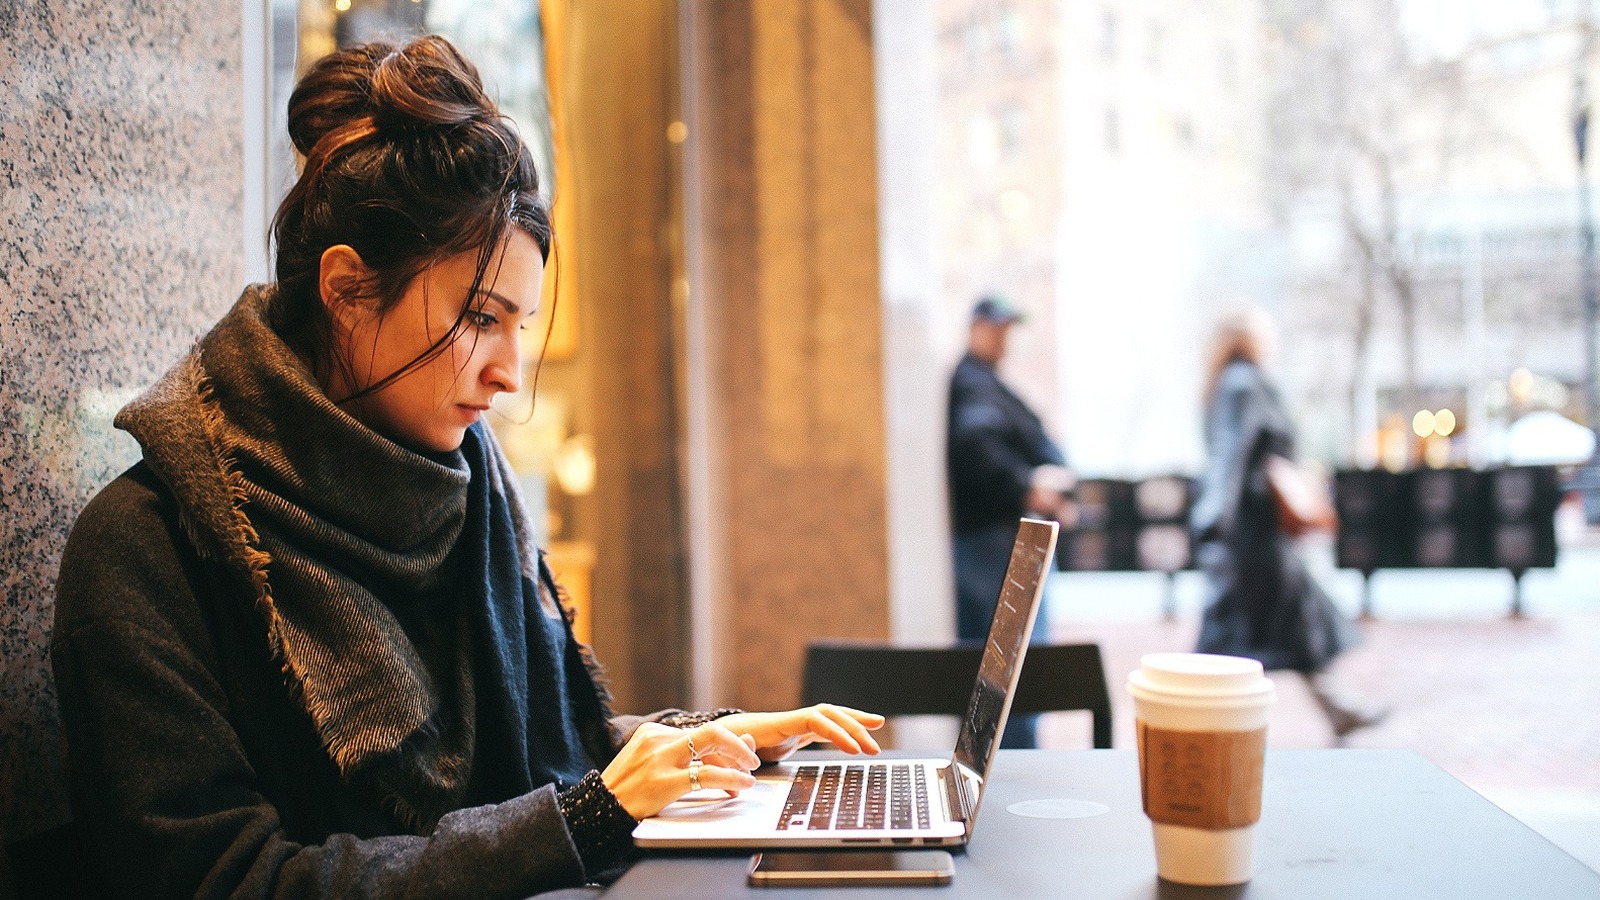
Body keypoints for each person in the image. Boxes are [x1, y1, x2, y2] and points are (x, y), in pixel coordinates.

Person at [50, 35, 883, 899]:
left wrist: (702, 740)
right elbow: (225, 879)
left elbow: (543, 763)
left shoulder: (465, 492)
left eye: (518, 325)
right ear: (345, 290)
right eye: (481, 318)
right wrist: (592, 815)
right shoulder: (149, 547)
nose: (508, 371)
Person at [1189, 308, 1387, 738]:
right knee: (1238, 636)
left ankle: (1336, 708)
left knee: (1280, 625)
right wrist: (1213, 518)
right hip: (1249, 536)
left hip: (1254, 534)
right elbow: (1230, 453)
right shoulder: (1244, 384)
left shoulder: (1232, 383)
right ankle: (1198, 722)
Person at [946, 295, 1073, 749]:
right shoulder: (974, 383)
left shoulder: (986, 383)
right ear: (976, 327)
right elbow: (975, 443)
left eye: (1008, 329)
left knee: (1010, 671)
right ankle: (1013, 765)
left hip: (995, 542)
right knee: (1011, 671)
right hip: (993, 545)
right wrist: (1027, 485)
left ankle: (1009, 761)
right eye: (995, 327)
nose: (1003, 338)